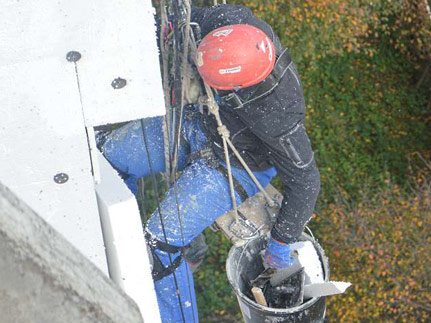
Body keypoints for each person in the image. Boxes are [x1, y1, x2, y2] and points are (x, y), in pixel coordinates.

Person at [100, 4, 320, 323]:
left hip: (239, 165)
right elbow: (182, 19)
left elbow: (306, 182)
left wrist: (281, 242)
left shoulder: (278, 113)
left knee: (158, 245)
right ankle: (131, 239)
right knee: (108, 157)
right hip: (204, 124)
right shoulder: (229, 23)